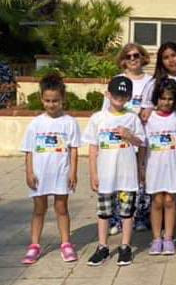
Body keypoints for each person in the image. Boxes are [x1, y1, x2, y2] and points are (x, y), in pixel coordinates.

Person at [84, 76, 146, 266]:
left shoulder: (132, 117)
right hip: (105, 174)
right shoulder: (98, 118)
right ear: (108, 94)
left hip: (127, 174)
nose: (120, 98)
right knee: (104, 212)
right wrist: (93, 173)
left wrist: (129, 136)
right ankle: (102, 246)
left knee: (127, 212)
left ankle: (125, 246)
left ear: (128, 97)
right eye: (116, 95)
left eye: (124, 95)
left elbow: (142, 142)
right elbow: (93, 148)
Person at [20, 73, 81, 265]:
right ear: (41, 99)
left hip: (61, 173)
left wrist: (73, 172)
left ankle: (65, 243)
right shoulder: (36, 124)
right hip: (40, 174)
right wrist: (29, 172)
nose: (51, 104)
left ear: (62, 99)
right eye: (47, 100)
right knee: (39, 209)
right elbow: (28, 151)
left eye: (55, 100)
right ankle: (34, 245)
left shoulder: (69, 122)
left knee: (61, 208)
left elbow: (73, 150)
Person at [102, 42, 154, 234]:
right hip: (119, 141)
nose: (133, 59)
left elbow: (154, 107)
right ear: (123, 60)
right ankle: (116, 219)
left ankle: (140, 216)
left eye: (136, 55)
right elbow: (105, 112)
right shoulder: (117, 80)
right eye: (128, 56)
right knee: (117, 179)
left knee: (141, 178)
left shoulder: (150, 82)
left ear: (142, 57)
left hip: (142, 136)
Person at [144, 78, 176, 256]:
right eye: (163, 98)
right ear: (157, 98)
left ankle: (168, 238)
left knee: (170, 201)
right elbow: (143, 145)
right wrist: (141, 167)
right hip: (153, 165)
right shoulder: (149, 119)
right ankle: (157, 238)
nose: (166, 102)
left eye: (170, 99)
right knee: (157, 201)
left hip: (173, 165)